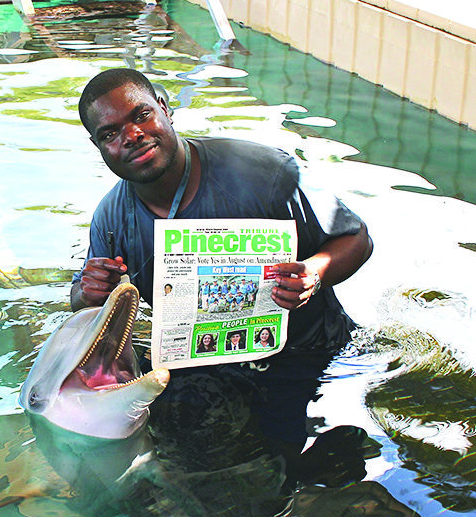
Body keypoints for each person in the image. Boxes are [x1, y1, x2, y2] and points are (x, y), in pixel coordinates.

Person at [70, 68, 373, 478]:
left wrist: (314, 273)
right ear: (99, 146)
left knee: (288, 463)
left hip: (304, 352)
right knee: (175, 457)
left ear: (164, 108)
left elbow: (356, 238)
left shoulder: (263, 172)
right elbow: (81, 302)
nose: (132, 135)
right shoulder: (112, 218)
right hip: (201, 361)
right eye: (111, 133)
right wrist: (89, 293)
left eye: (141, 116)